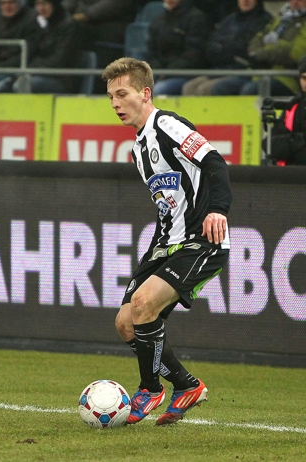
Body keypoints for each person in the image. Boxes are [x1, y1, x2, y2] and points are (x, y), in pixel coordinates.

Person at [102, 57, 231, 425]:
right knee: (126, 322)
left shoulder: (167, 124)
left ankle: (149, 388)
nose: (115, 103)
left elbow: (214, 162)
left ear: (145, 94)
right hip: (166, 243)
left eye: (122, 94)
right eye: (110, 96)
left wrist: (217, 209)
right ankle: (185, 384)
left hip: (201, 240)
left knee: (143, 305)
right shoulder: (138, 148)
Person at [212, 0, 306, 96]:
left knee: (251, 90)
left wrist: (262, 51)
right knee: (221, 88)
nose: (295, 2)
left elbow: (295, 53)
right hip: (259, 73)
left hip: (286, 77)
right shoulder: (282, 17)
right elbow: (258, 39)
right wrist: (269, 49)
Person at [182, 0, 272, 96]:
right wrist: (228, 50)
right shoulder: (229, 20)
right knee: (189, 87)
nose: (245, 1)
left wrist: (224, 48)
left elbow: (247, 50)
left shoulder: (265, 21)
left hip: (245, 72)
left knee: (206, 88)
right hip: (220, 69)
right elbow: (211, 46)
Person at [9, 0, 81, 94]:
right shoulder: (40, 25)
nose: (41, 8)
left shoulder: (69, 26)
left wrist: (29, 70)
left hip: (61, 79)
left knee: (21, 85)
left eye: (45, 3)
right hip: (37, 73)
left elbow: (59, 60)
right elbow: (31, 53)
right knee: (3, 86)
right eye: (38, 4)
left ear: (54, 4)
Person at [146, 0, 209, 96]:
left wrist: (169, 72)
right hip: (161, 73)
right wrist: (158, 69)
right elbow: (151, 52)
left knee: (158, 90)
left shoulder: (195, 18)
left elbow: (194, 53)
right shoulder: (158, 21)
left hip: (186, 74)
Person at [265, 55, 306, 165]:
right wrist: (299, 141)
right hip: (290, 175)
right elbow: (270, 144)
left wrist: (290, 143)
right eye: (304, 78)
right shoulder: (293, 106)